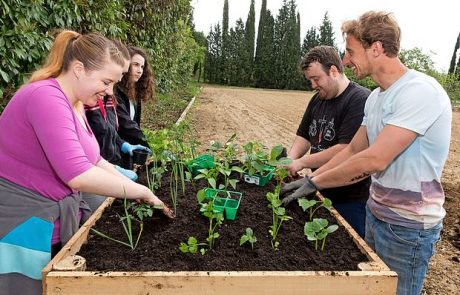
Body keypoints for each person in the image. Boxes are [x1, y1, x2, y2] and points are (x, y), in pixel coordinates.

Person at [281, 11, 452, 295]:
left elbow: (375, 158)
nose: (345, 61)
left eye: (350, 51)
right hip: (376, 213)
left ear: (376, 48)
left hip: (408, 227)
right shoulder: (376, 98)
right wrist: (311, 177)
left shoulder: (419, 91)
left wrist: (315, 182)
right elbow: (351, 150)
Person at [0, 30, 174, 295]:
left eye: (114, 84)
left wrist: (124, 176)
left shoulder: (75, 103)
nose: (109, 92)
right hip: (26, 225)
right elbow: (77, 173)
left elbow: (93, 159)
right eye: (106, 81)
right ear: (79, 69)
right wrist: (142, 192)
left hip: (51, 220)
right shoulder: (45, 97)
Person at [285, 45, 371, 238]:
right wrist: (289, 159)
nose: (313, 85)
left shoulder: (359, 99)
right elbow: (304, 136)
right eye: (310, 81)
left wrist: (302, 162)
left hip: (349, 199)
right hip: (318, 188)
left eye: (316, 79)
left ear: (333, 71)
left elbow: (346, 148)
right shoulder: (317, 100)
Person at [83, 40, 150, 211]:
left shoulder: (108, 97)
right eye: (108, 81)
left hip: (109, 163)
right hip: (96, 174)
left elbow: (111, 131)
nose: (112, 90)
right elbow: (81, 160)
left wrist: (124, 145)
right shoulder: (87, 102)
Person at [115, 46, 154, 168]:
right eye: (136, 65)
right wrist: (150, 142)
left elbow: (135, 123)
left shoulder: (134, 93)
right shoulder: (115, 92)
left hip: (128, 150)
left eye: (142, 67)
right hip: (115, 150)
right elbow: (126, 124)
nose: (140, 70)